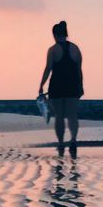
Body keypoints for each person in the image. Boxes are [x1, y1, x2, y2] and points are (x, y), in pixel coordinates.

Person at [39, 21, 83, 157]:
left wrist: (41, 85)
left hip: (57, 86)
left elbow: (48, 69)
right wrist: (81, 86)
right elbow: (78, 70)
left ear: (55, 35)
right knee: (72, 115)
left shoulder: (53, 50)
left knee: (59, 116)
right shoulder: (76, 49)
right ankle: (74, 140)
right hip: (73, 85)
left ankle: (61, 142)